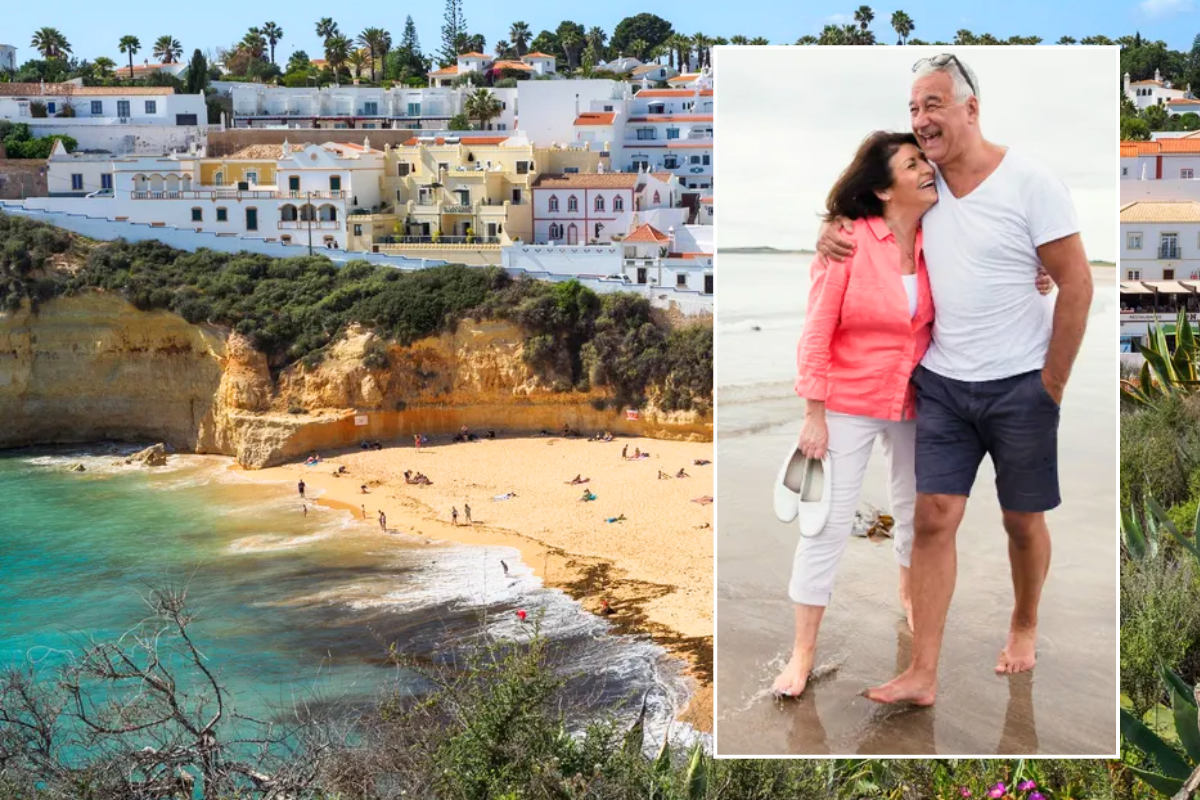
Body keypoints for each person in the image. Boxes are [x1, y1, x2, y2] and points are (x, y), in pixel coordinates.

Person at [815, 55, 1091, 706]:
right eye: (914, 108)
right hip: (940, 382)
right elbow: (865, 211)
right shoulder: (923, 183)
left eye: (933, 104)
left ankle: (1024, 623)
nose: (921, 120)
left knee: (1022, 522)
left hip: (1022, 383)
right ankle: (923, 674)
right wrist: (828, 230)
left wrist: (1052, 384)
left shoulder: (1031, 181)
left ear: (971, 108)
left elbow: (1077, 282)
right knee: (934, 517)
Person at [776, 123, 1058, 700]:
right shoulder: (849, 241)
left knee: (916, 520)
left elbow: (991, 266)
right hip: (850, 403)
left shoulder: (939, 236)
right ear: (882, 188)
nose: (926, 170)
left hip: (917, 399)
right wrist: (814, 411)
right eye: (911, 165)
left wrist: (1036, 271)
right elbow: (816, 330)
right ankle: (801, 655)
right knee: (826, 526)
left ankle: (911, 606)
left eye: (922, 162)